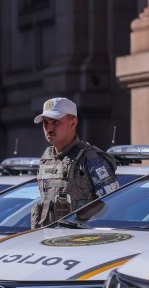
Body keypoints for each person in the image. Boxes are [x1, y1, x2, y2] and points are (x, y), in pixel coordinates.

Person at [30, 97, 119, 229]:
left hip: (80, 241)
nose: (49, 128)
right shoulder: (46, 158)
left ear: (73, 123)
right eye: (45, 123)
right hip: (48, 240)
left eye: (55, 122)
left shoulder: (91, 159)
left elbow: (113, 204)